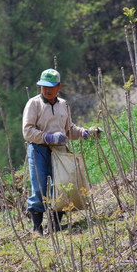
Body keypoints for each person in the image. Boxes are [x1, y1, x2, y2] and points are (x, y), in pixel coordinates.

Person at [22, 68, 92, 235]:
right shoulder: (34, 103)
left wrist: (82, 132)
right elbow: (27, 131)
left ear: (59, 87)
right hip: (38, 149)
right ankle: (37, 228)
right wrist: (49, 137)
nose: (47, 90)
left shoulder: (63, 105)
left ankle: (55, 226)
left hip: (59, 151)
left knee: (61, 186)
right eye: (44, 86)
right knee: (39, 187)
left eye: (51, 87)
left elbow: (69, 129)